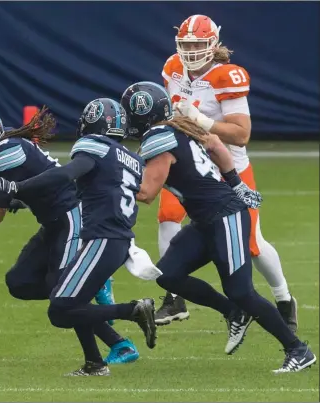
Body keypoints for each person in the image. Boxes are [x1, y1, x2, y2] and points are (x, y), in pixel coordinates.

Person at [121, 81, 315, 373]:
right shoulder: (178, 126)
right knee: (169, 275)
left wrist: (114, 181)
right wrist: (235, 182)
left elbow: (147, 194)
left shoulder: (158, 140)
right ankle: (233, 313)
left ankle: (298, 349)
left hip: (224, 216)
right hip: (205, 219)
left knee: (242, 291)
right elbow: (214, 145)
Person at [0, 105, 138, 365]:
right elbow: (36, 178)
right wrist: (21, 199)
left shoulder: (5, 152)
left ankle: (105, 354)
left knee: (64, 295)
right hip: (54, 222)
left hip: (71, 218)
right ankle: (95, 303)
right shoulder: (5, 144)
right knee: (20, 282)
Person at [0, 98, 157, 376]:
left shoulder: (93, 146)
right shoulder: (132, 159)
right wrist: (25, 197)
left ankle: (130, 313)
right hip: (115, 236)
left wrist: (16, 186)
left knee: (62, 308)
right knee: (47, 294)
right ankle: (100, 355)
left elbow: (66, 175)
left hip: (99, 237)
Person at [154, 14, 297, 331]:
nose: (190, 51)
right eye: (186, 44)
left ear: (213, 44)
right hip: (189, 166)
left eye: (197, 44)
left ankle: (284, 298)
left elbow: (241, 134)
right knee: (167, 217)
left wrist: (201, 121)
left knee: (251, 244)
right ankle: (174, 298)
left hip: (228, 168)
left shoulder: (226, 76)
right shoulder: (173, 68)